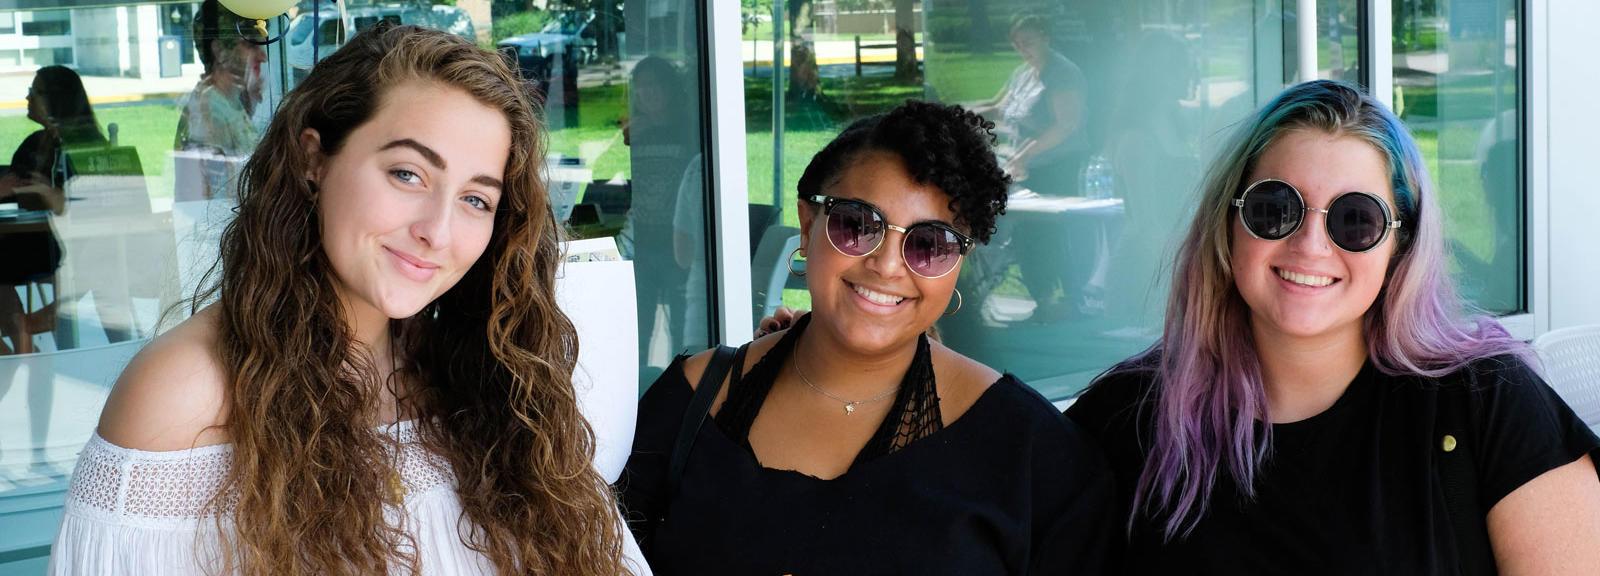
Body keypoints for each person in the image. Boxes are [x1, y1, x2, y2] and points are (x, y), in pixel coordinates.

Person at [49, 24, 643, 575]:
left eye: (475, 200)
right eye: (408, 174)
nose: (437, 231)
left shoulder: (487, 379)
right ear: (314, 160)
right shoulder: (186, 396)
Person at [1065, 80, 1600, 574]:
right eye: (1275, 208)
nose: (1311, 246)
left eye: (1355, 219)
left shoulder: (1487, 404)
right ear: (1228, 225)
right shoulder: (1128, 419)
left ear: (1401, 246)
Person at [620, 101, 1114, 574]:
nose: (886, 264)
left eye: (930, 244)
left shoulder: (1032, 457)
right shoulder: (689, 404)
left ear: (957, 266)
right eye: (857, 224)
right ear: (809, 223)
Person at [969, 15, 1090, 323]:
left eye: (1029, 42)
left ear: (1046, 37)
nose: (1023, 50)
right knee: (1024, 234)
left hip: (1056, 168)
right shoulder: (1023, 74)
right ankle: (1042, 298)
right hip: (1024, 167)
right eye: (1018, 44)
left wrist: (1023, 155)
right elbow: (998, 108)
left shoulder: (1062, 74)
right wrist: (958, 112)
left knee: (1044, 235)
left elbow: (1066, 125)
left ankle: (1061, 300)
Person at [174, 0, 266, 199]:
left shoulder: (228, 102)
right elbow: (212, 201)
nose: (262, 56)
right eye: (250, 44)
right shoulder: (210, 112)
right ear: (220, 51)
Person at [2, 65, 106, 207]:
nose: (28, 97)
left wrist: (48, 193)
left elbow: (93, 203)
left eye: (36, 92)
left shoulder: (87, 147)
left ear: (59, 99)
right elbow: (14, 190)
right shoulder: (32, 143)